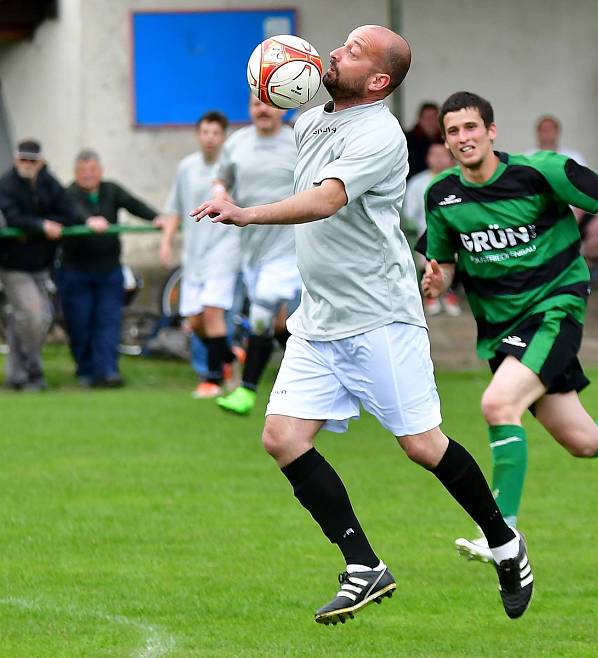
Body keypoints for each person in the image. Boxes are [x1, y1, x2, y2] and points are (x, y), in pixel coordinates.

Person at [192, 25, 532, 624]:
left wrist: (246, 215)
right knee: (282, 438)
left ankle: (506, 543)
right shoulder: (310, 120)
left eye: (352, 52)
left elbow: (326, 200)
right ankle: (362, 566)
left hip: (378, 316)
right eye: (341, 43)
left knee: (423, 446)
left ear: (377, 81)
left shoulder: (381, 135)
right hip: (320, 315)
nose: (334, 52)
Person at [420, 92, 598, 563]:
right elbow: (445, 266)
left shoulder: (541, 171)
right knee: (583, 440)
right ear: (446, 141)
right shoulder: (442, 195)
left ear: (491, 131)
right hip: (501, 328)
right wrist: (437, 280)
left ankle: (502, 533)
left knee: (497, 404)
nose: (463, 137)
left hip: (554, 309)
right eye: (453, 131)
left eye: (471, 127)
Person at [213, 95, 301, 415]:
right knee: (279, 326)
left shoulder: (298, 142)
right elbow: (222, 180)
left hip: (289, 246)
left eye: (269, 103)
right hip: (252, 249)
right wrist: (219, 194)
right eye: (254, 104)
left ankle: (246, 391)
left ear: (284, 107)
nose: (262, 109)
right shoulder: (237, 144)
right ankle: (334, 376)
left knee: (262, 308)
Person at [61, 150, 167, 387]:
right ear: (76, 173)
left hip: (109, 270)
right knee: (80, 322)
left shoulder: (111, 190)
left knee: (108, 321)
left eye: (92, 170)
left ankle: (108, 371)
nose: (88, 175)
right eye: (83, 171)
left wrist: (156, 218)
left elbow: (133, 204)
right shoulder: (69, 194)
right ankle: (85, 371)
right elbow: (73, 212)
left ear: (100, 171)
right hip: (76, 271)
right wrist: (88, 221)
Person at [159, 111, 242, 398]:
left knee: (212, 312)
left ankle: (214, 378)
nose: (210, 138)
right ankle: (231, 358)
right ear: (198, 135)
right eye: (205, 132)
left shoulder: (231, 167)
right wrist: (166, 242)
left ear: (223, 137)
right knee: (194, 321)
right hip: (193, 256)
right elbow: (173, 208)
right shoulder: (187, 167)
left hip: (224, 249)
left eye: (216, 133)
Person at [0, 140, 83, 390]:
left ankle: (17, 375)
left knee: (35, 319)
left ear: (41, 162)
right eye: (23, 160)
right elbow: (13, 217)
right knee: (34, 316)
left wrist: (46, 224)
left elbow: (69, 212)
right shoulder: (7, 184)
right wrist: (41, 226)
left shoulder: (49, 182)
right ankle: (34, 371)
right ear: (16, 161)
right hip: (13, 265)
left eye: (32, 161)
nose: (27, 165)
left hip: (41, 263)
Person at [532, 115, 598, 262]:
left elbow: (585, 189)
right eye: (543, 129)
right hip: (542, 218)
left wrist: (576, 217)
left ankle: (583, 261)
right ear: (537, 132)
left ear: (557, 132)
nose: (547, 133)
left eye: (550, 129)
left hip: (575, 215)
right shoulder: (527, 157)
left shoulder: (573, 156)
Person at [402, 142, 460, 316]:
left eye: (443, 154)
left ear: (450, 157)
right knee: (427, 260)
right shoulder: (418, 182)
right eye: (434, 155)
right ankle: (431, 296)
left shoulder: (458, 179)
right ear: (428, 158)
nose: (439, 158)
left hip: (456, 232)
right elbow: (409, 212)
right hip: (426, 231)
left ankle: (450, 293)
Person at [405, 102, 443, 178]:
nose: (431, 122)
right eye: (428, 118)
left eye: (434, 118)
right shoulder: (408, 140)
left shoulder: (444, 139)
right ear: (420, 119)